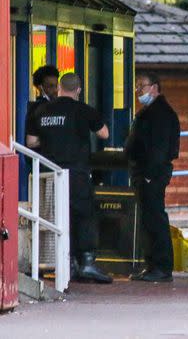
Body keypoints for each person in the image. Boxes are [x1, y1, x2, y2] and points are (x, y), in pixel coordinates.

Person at [26, 72, 113, 284]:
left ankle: (67, 263)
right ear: (79, 90)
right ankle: (87, 263)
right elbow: (104, 134)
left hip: (51, 175)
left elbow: (31, 142)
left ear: (59, 88)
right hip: (77, 174)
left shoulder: (40, 111)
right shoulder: (83, 111)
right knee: (83, 215)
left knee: (57, 217)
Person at [125, 72, 180, 283]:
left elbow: (159, 148)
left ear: (155, 87)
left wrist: (148, 175)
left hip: (152, 175)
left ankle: (161, 266)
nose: (139, 91)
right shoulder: (150, 112)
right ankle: (152, 265)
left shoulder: (160, 114)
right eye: (137, 86)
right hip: (146, 173)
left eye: (143, 86)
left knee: (155, 219)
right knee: (148, 220)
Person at [24, 65, 60, 147]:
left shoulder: (62, 105)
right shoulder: (35, 109)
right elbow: (31, 143)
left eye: (56, 85)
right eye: (50, 86)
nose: (55, 90)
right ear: (40, 88)